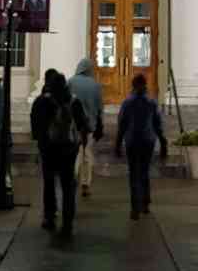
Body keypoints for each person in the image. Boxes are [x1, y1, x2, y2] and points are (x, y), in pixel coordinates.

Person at [30, 69, 89, 236]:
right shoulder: (73, 102)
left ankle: (49, 217)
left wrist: (40, 141)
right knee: (68, 185)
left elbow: (36, 124)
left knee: (49, 183)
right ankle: (68, 222)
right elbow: (82, 124)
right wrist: (80, 143)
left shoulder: (42, 102)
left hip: (49, 149)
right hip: (68, 150)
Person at [115, 74, 168, 220]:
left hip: (132, 140)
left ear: (133, 85)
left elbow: (122, 124)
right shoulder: (151, 102)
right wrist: (163, 142)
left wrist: (118, 143)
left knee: (134, 173)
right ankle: (145, 202)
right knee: (144, 171)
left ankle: (135, 207)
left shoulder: (127, 102)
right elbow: (158, 124)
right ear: (145, 85)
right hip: (147, 140)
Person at [69, 57, 103, 198]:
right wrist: (99, 124)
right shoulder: (95, 85)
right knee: (86, 154)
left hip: (73, 125)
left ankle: (72, 178)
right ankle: (85, 184)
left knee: (75, 153)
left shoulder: (70, 82)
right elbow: (99, 107)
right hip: (89, 125)